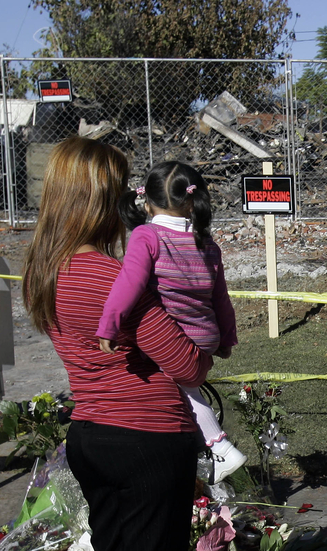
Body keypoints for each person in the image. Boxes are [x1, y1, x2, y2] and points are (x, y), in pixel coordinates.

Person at [23, 137, 217, 551]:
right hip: (146, 437)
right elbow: (186, 363)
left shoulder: (49, 271)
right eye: (122, 189)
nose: (132, 199)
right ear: (99, 200)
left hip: (92, 433)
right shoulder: (113, 276)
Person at [96, 160, 246, 483]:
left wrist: (109, 325)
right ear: (192, 202)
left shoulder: (146, 236)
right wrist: (226, 340)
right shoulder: (209, 245)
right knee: (186, 389)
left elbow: (129, 283)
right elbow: (221, 299)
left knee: (174, 387)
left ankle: (219, 446)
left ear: (146, 203)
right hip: (205, 335)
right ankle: (211, 452)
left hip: (176, 335)